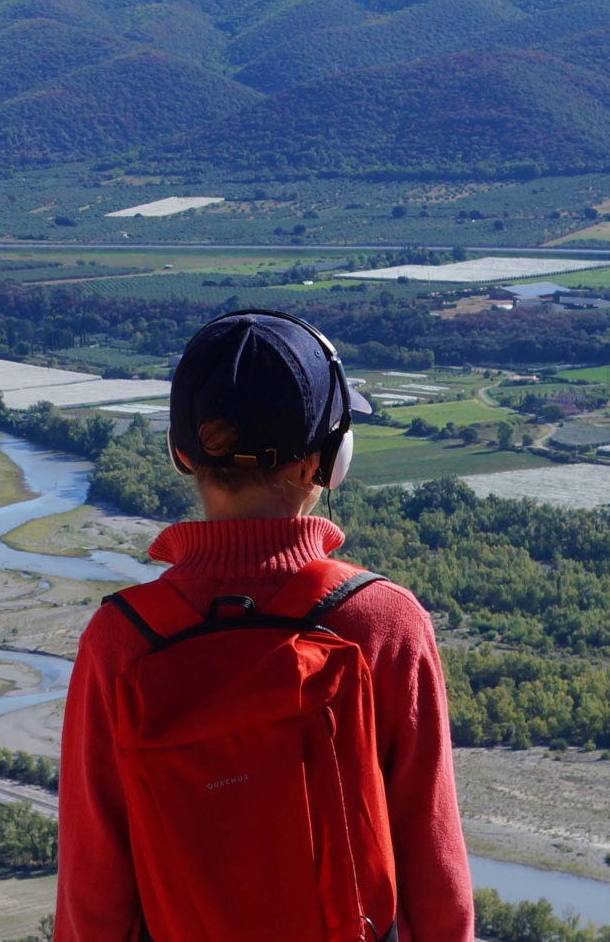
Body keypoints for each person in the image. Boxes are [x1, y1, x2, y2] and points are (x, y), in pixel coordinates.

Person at [55, 311, 472, 941]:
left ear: (180, 453)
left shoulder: (120, 640)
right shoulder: (384, 622)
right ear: (323, 463)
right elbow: (435, 869)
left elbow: (93, 890)